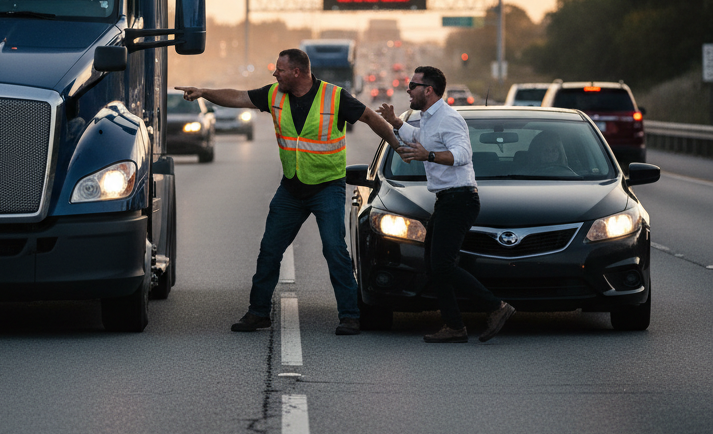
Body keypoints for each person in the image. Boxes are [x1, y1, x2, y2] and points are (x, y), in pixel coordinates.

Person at [176, 48, 401, 335]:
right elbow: (239, 97)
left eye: (280, 70)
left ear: (297, 72)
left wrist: (396, 145)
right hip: (291, 189)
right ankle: (258, 313)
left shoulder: (334, 96)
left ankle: (349, 316)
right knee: (269, 250)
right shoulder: (274, 95)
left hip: (326, 188)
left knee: (334, 250)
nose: (274, 74)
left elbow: (370, 118)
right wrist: (205, 92)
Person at [378, 65, 516, 344]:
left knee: (442, 265)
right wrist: (395, 122)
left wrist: (428, 155)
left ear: (428, 90)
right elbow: (417, 139)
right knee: (434, 264)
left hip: (460, 198)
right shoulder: (428, 118)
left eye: (413, 85)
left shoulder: (449, 118)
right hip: (447, 199)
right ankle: (454, 326)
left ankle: (496, 307)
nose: (408, 89)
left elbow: (462, 154)